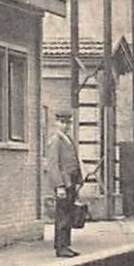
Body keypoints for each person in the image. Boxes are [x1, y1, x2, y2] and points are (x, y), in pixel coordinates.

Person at [46, 110, 84, 258]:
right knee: (63, 215)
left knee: (68, 214)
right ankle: (61, 247)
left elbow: (73, 161)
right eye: (62, 123)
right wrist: (60, 186)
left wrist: (79, 180)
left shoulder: (67, 139)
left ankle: (66, 245)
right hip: (64, 183)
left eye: (68, 123)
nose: (65, 126)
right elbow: (53, 165)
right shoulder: (55, 140)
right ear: (56, 123)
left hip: (71, 182)